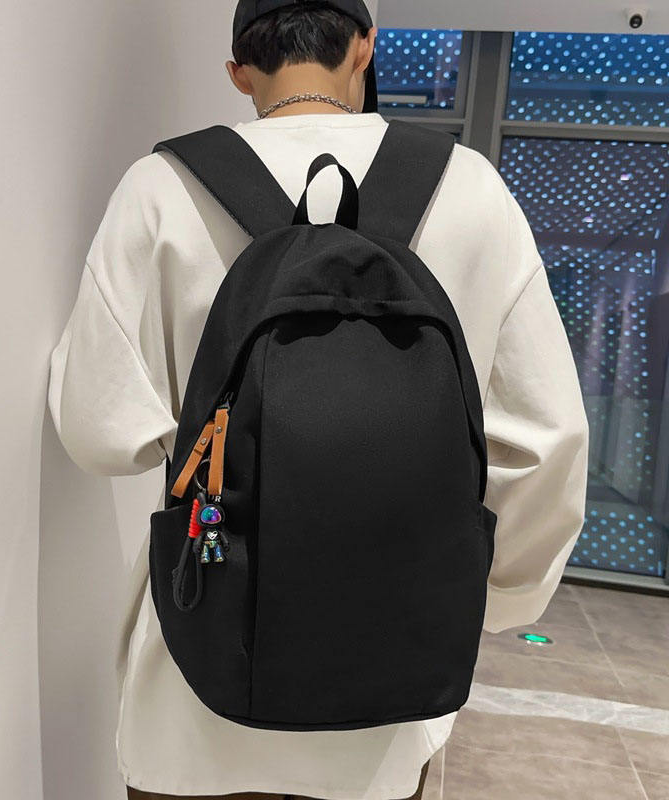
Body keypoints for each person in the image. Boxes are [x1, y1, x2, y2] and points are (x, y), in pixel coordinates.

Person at [47, 2, 590, 799]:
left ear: (239, 71)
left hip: (198, 670)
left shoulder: (161, 188)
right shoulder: (469, 189)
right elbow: (547, 440)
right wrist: (495, 596)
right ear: (364, 47)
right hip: (386, 687)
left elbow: (97, 430)